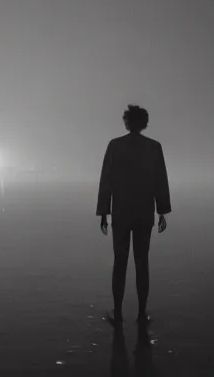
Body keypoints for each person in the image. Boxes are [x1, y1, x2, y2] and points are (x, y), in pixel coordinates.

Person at [96, 104, 172, 325]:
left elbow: (106, 181)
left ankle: (118, 313)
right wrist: (162, 211)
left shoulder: (115, 146)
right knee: (142, 261)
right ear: (144, 123)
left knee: (120, 261)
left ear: (127, 122)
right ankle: (141, 313)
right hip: (144, 212)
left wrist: (104, 212)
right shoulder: (153, 147)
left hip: (121, 212)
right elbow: (161, 181)